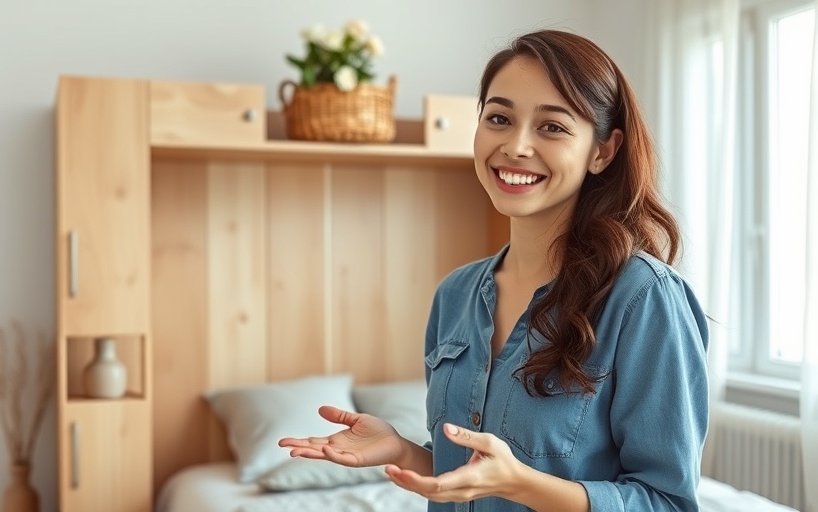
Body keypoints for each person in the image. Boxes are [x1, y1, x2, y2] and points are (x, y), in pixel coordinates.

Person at [279, 28, 709, 512]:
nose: (516, 146)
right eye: (499, 118)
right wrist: (402, 451)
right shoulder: (455, 295)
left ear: (602, 151)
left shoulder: (643, 298)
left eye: (552, 127)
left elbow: (667, 502)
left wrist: (522, 484)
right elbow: (468, 480)